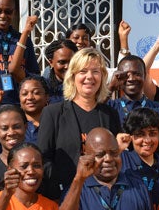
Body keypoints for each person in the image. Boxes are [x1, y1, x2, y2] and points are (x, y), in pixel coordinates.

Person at [37, 48, 121, 200]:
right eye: (83, 71)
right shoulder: (53, 113)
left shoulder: (110, 114)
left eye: (95, 71)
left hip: (102, 197)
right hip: (65, 196)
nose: (89, 77)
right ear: (73, 76)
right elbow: (43, 159)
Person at [56, 127, 159, 210]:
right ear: (86, 156)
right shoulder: (76, 189)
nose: (109, 159)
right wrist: (79, 179)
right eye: (100, 154)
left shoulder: (139, 188)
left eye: (114, 153)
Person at [118, 107, 159, 207]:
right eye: (140, 134)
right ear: (130, 136)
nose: (147, 140)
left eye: (152, 133)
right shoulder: (121, 160)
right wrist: (117, 150)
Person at [107, 55, 159, 125]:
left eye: (137, 74)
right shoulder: (110, 107)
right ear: (118, 76)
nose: (131, 79)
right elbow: (94, 115)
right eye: (126, 75)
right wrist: (111, 87)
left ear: (144, 76)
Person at [42, 39, 78, 104]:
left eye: (71, 62)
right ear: (51, 62)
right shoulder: (44, 88)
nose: (67, 66)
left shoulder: (83, 85)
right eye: (62, 62)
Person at [18, 75, 50, 143]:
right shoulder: (15, 125)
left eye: (36, 93)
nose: (30, 97)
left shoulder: (54, 124)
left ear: (46, 97)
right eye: (24, 94)